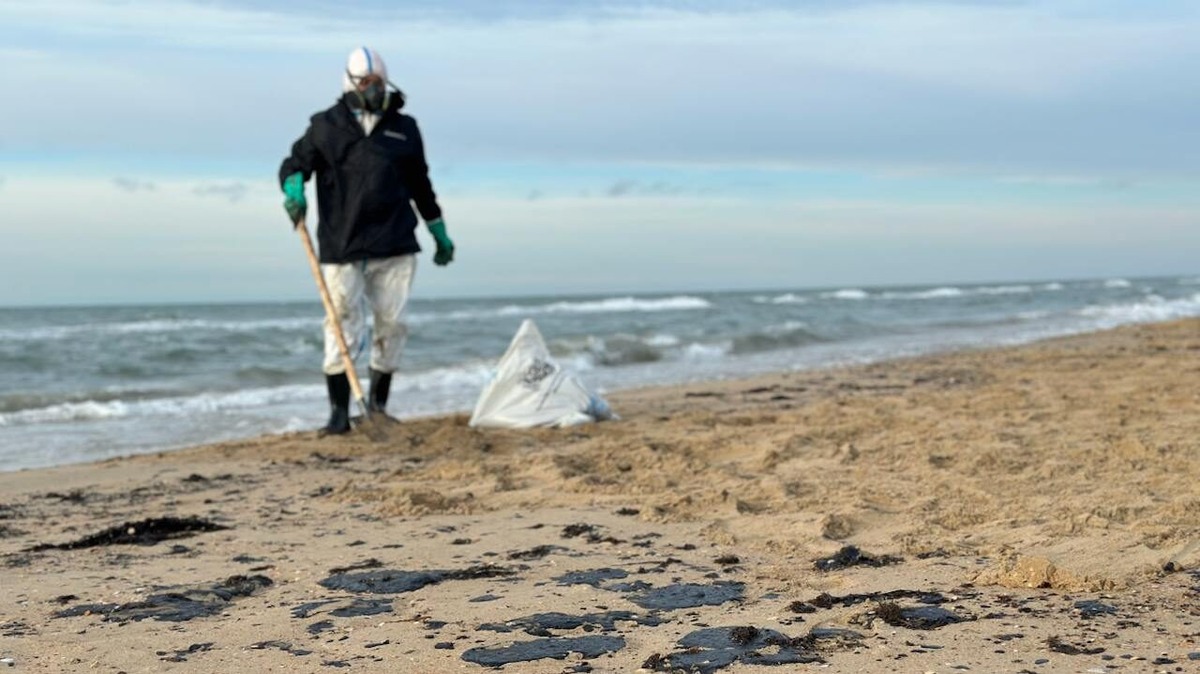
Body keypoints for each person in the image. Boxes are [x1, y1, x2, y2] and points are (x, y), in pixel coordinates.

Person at [279, 46, 455, 435]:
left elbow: (421, 185)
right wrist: (294, 189)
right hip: (342, 245)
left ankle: (377, 406)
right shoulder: (326, 125)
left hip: (395, 244)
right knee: (341, 324)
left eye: (378, 82)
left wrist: (437, 229)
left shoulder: (404, 128)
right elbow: (295, 164)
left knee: (392, 324)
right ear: (350, 82)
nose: (372, 88)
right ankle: (339, 414)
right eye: (365, 82)